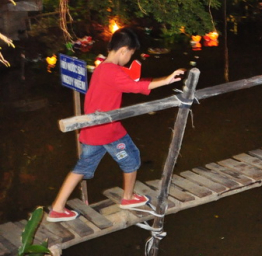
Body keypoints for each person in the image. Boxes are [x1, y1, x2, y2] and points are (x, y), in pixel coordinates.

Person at [47, 28, 185, 222]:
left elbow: (129, 79)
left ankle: (57, 208)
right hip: (108, 130)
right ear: (123, 50)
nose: (130, 57)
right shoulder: (111, 71)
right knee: (131, 158)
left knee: (82, 167)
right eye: (130, 54)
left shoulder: (103, 67)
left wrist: (139, 75)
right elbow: (136, 87)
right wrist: (166, 80)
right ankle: (127, 198)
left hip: (92, 128)